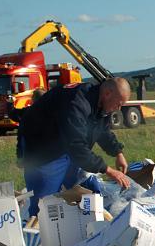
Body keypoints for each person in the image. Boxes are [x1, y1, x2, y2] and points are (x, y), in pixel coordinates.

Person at [18, 77, 131, 216]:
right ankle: (38, 233)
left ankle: (88, 230)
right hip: (43, 148)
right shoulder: (76, 102)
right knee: (45, 207)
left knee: (90, 194)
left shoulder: (100, 103)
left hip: (67, 147)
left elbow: (101, 129)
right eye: (119, 104)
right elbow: (76, 145)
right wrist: (108, 170)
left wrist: (118, 152)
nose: (119, 109)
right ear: (107, 93)